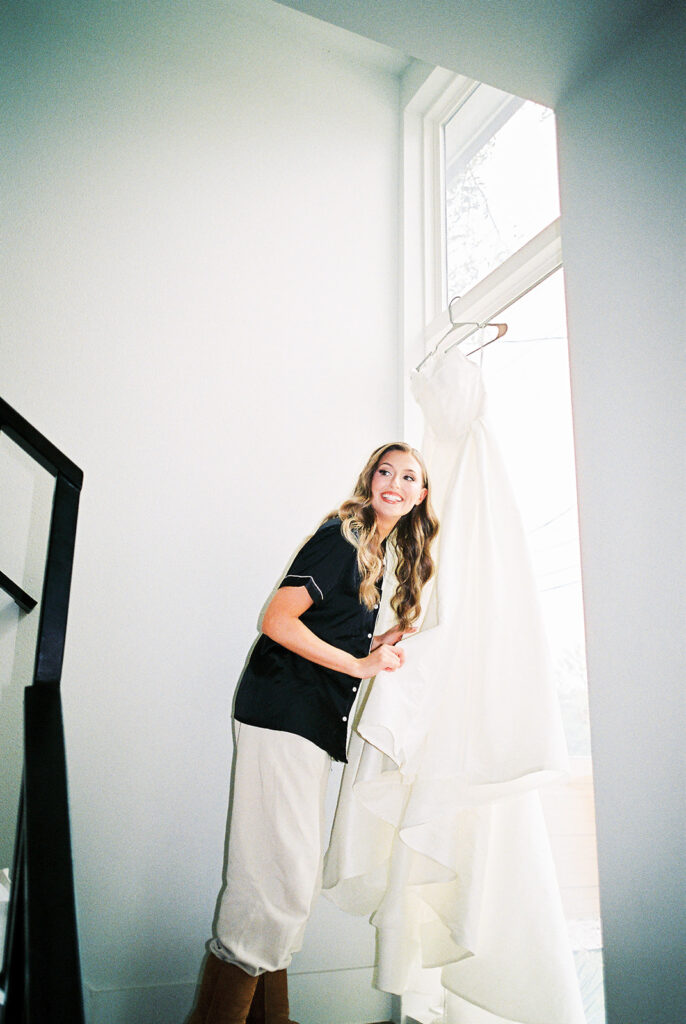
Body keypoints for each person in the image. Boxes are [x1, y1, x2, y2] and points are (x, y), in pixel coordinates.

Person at [187, 442, 439, 1024]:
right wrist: (357, 666)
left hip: (301, 721)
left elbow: (322, 630)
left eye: (408, 477)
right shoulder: (344, 538)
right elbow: (276, 619)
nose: (394, 483)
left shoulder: (374, 549)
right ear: (370, 479)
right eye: (385, 471)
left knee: (284, 873)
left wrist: (373, 644)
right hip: (283, 715)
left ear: (420, 495)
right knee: (276, 876)